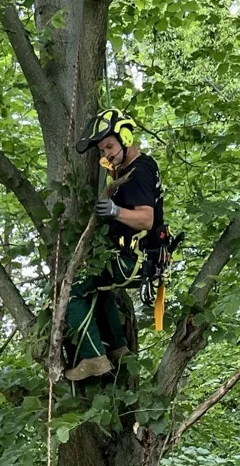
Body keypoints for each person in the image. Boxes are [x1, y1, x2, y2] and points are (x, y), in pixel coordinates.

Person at [64, 108, 164, 381]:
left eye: (109, 146)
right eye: (102, 150)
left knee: (72, 289)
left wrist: (114, 211)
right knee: (101, 289)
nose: (106, 154)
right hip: (137, 255)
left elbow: (146, 219)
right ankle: (119, 349)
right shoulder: (130, 170)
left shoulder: (139, 172)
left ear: (126, 137)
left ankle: (93, 358)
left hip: (131, 258)